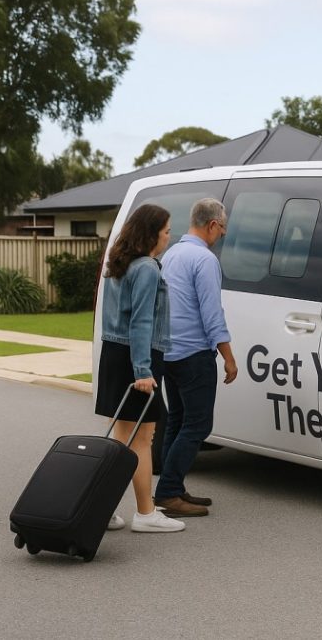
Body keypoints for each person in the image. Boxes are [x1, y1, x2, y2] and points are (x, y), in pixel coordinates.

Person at [96, 203, 186, 533]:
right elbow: (141, 321)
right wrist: (143, 370)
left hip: (115, 354)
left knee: (120, 437)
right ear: (151, 235)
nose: (168, 237)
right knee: (143, 438)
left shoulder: (121, 264)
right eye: (165, 232)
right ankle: (146, 514)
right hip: (138, 357)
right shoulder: (147, 267)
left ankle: (100, 507)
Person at [154, 198, 238, 517]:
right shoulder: (204, 259)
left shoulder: (172, 253)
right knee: (198, 424)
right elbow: (211, 314)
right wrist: (228, 356)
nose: (221, 236)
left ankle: (173, 488)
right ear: (212, 225)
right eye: (222, 230)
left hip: (170, 353)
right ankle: (169, 492)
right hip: (194, 354)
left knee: (177, 420)